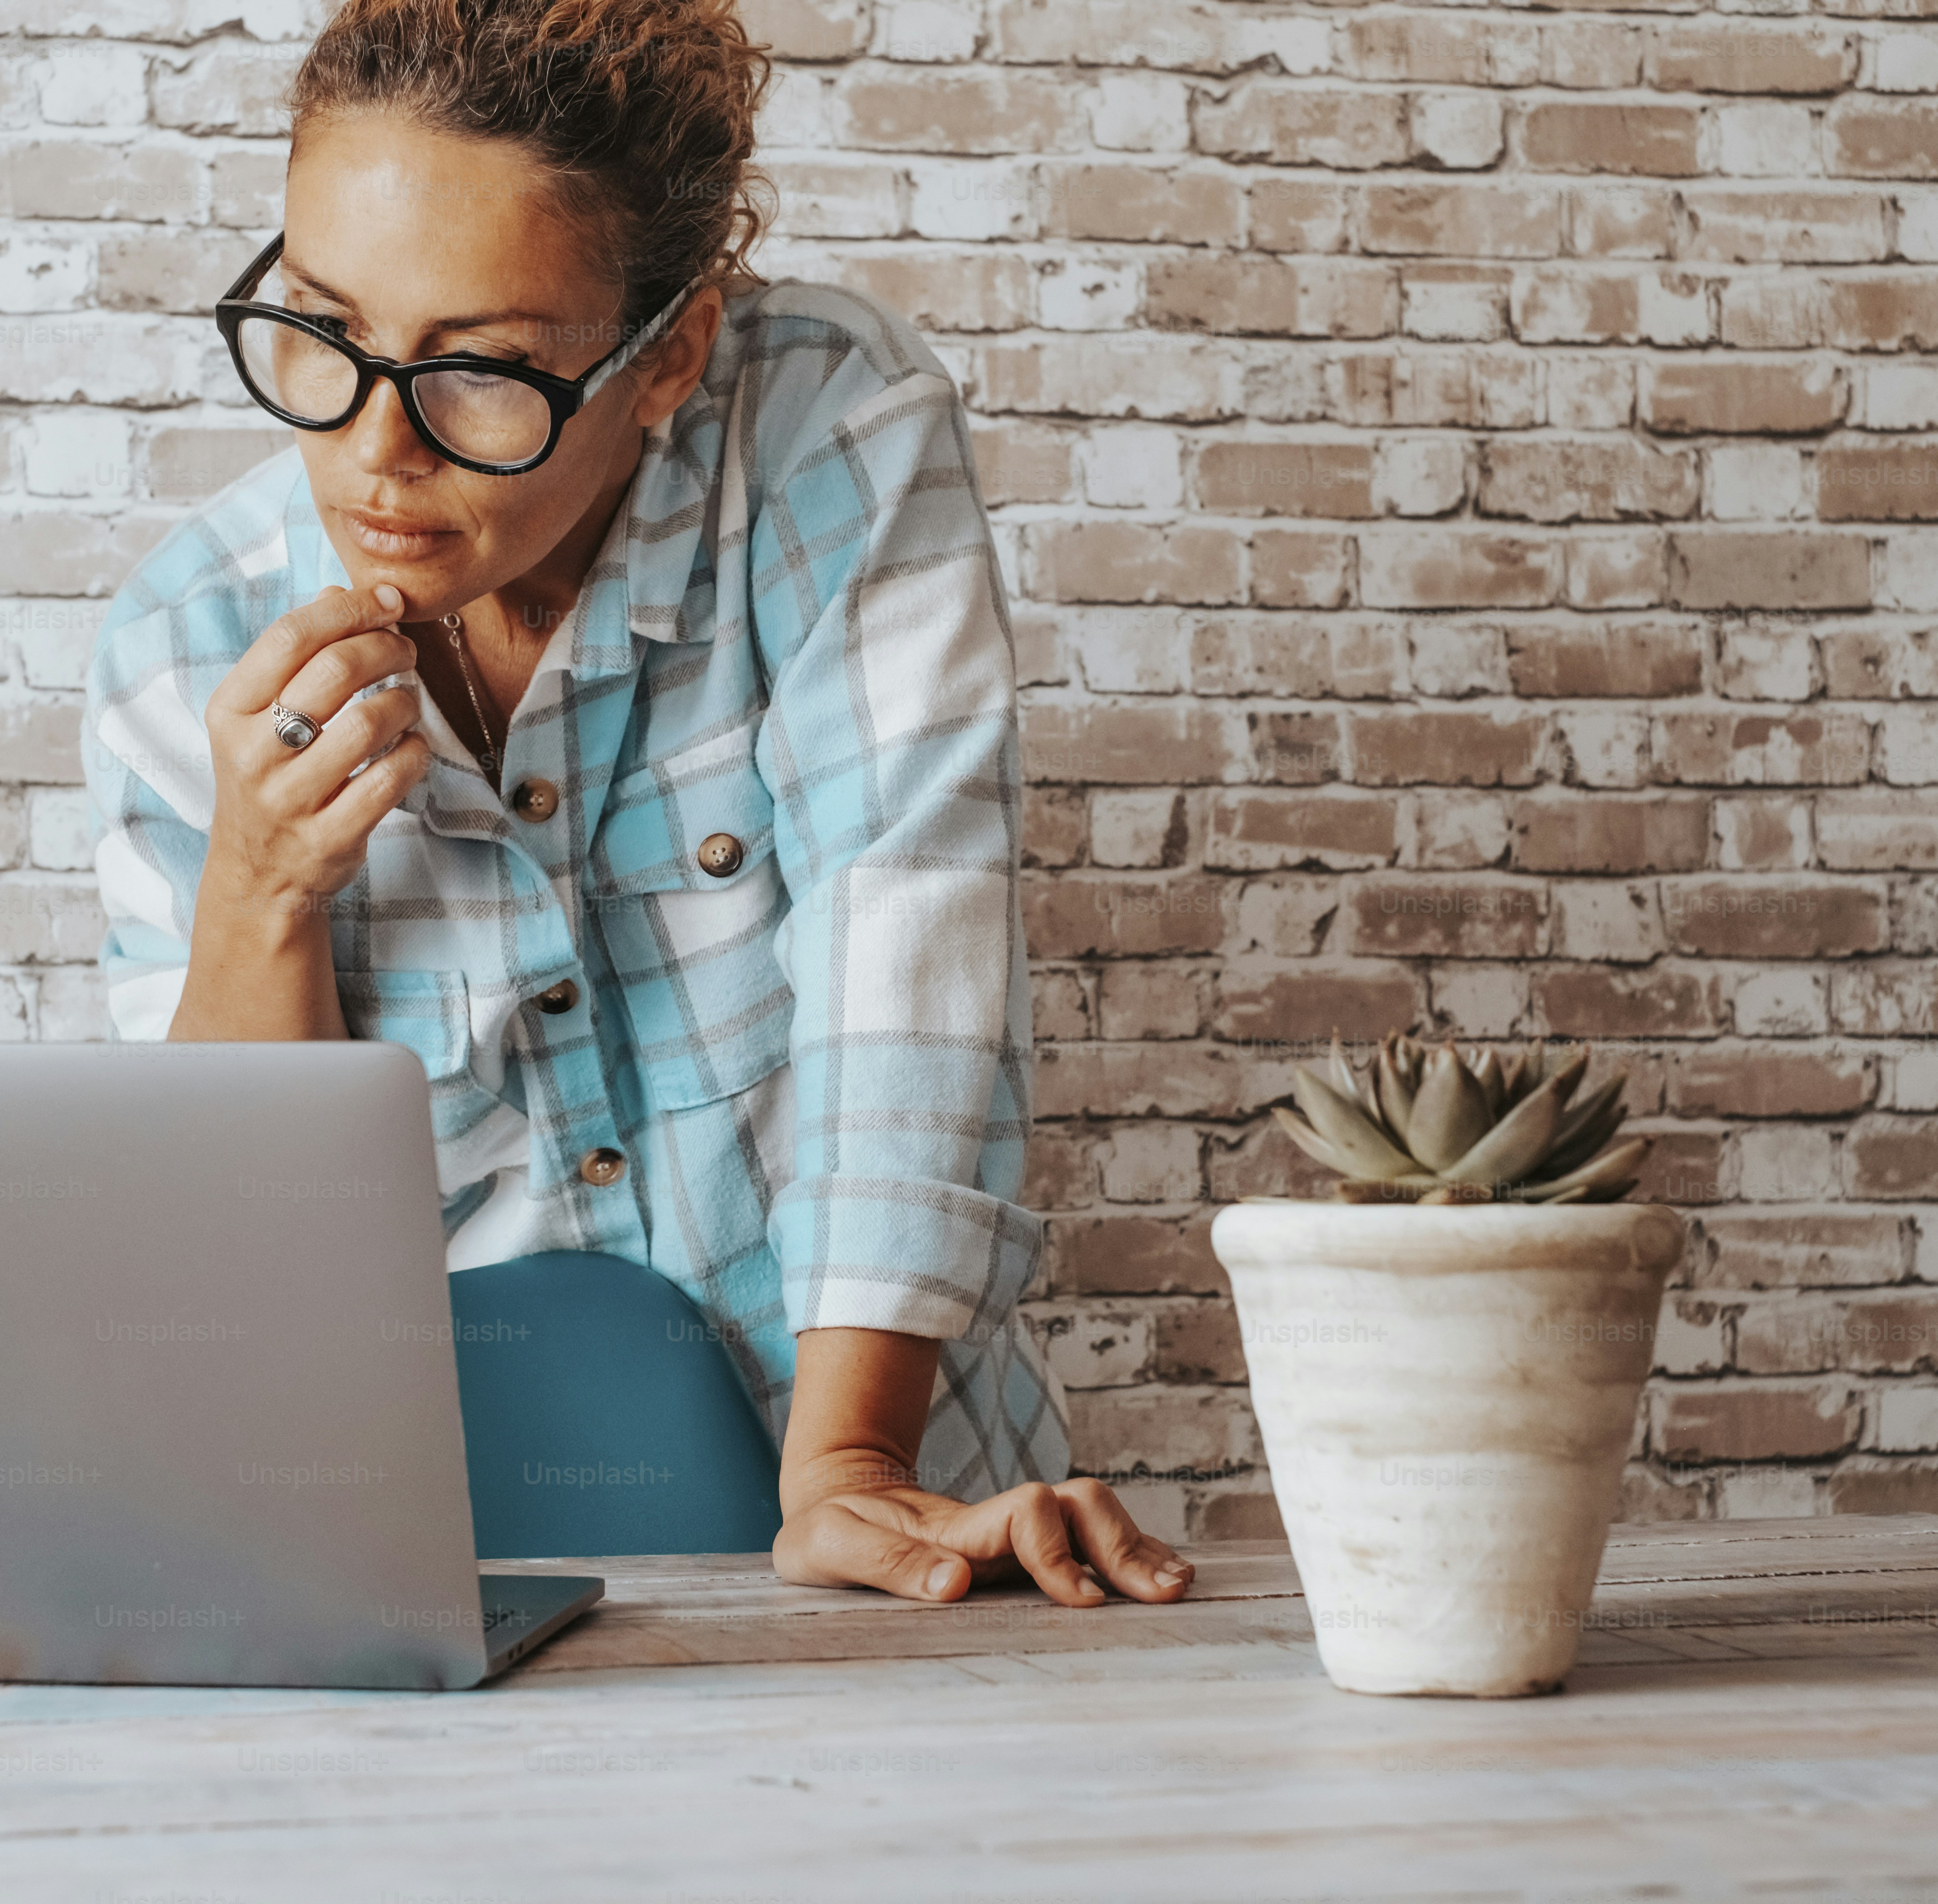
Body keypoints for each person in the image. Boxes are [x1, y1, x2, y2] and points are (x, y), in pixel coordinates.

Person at [81, 0, 1193, 1609]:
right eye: (324, 329)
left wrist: (848, 1473)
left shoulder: (828, 429)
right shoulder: (182, 638)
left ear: (668, 348)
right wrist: (260, 888)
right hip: (453, 1577)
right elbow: (230, 1286)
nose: (378, 454)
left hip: (895, 1546)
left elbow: (910, 929)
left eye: (485, 374)